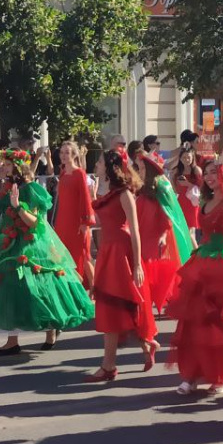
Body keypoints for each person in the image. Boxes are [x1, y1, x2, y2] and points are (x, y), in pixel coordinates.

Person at [0, 149, 93, 355]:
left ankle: (50, 329)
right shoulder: (9, 187)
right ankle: (12, 340)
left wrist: (18, 206)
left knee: (39, 284)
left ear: (18, 168)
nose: (4, 168)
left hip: (31, 243)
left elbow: (34, 223)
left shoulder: (31, 189)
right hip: (8, 242)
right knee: (9, 285)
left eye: (8, 166)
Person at [166, 152, 223, 396]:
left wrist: (222, 168)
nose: (208, 177)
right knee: (196, 322)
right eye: (206, 172)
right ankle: (193, 373)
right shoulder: (205, 201)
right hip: (204, 261)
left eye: (213, 173)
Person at [85, 147, 159, 382]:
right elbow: (99, 219)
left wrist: (137, 264)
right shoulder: (110, 192)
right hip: (108, 252)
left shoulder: (125, 194)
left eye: (99, 162)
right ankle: (145, 345)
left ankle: (110, 365)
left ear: (110, 166)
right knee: (114, 306)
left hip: (122, 253)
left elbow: (135, 230)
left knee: (121, 304)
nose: (96, 165)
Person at [137, 151, 193, 309]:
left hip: (154, 237)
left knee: (152, 270)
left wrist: (162, 235)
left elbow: (169, 216)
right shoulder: (143, 189)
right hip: (143, 234)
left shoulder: (162, 187)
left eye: (142, 169)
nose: (139, 172)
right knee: (147, 270)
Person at [52, 140, 95, 289]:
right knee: (64, 254)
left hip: (76, 222)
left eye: (67, 153)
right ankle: (70, 288)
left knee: (82, 255)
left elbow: (85, 198)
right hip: (63, 220)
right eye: (62, 152)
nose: (63, 156)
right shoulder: (63, 172)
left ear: (74, 155)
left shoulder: (79, 173)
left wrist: (85, 222)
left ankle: (94, 286)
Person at [172, 146, 202, 235]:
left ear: (192, 158)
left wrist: (187, 184)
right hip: (181, 200)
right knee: (183, 228)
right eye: (184, 157)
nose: (186, 160)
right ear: (180, 159)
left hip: (192, 201)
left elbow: (201, 188)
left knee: (190, 230)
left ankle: (193, 248)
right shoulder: (177, 171)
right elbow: (173, 185)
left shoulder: (196, 170)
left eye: (188, 157)